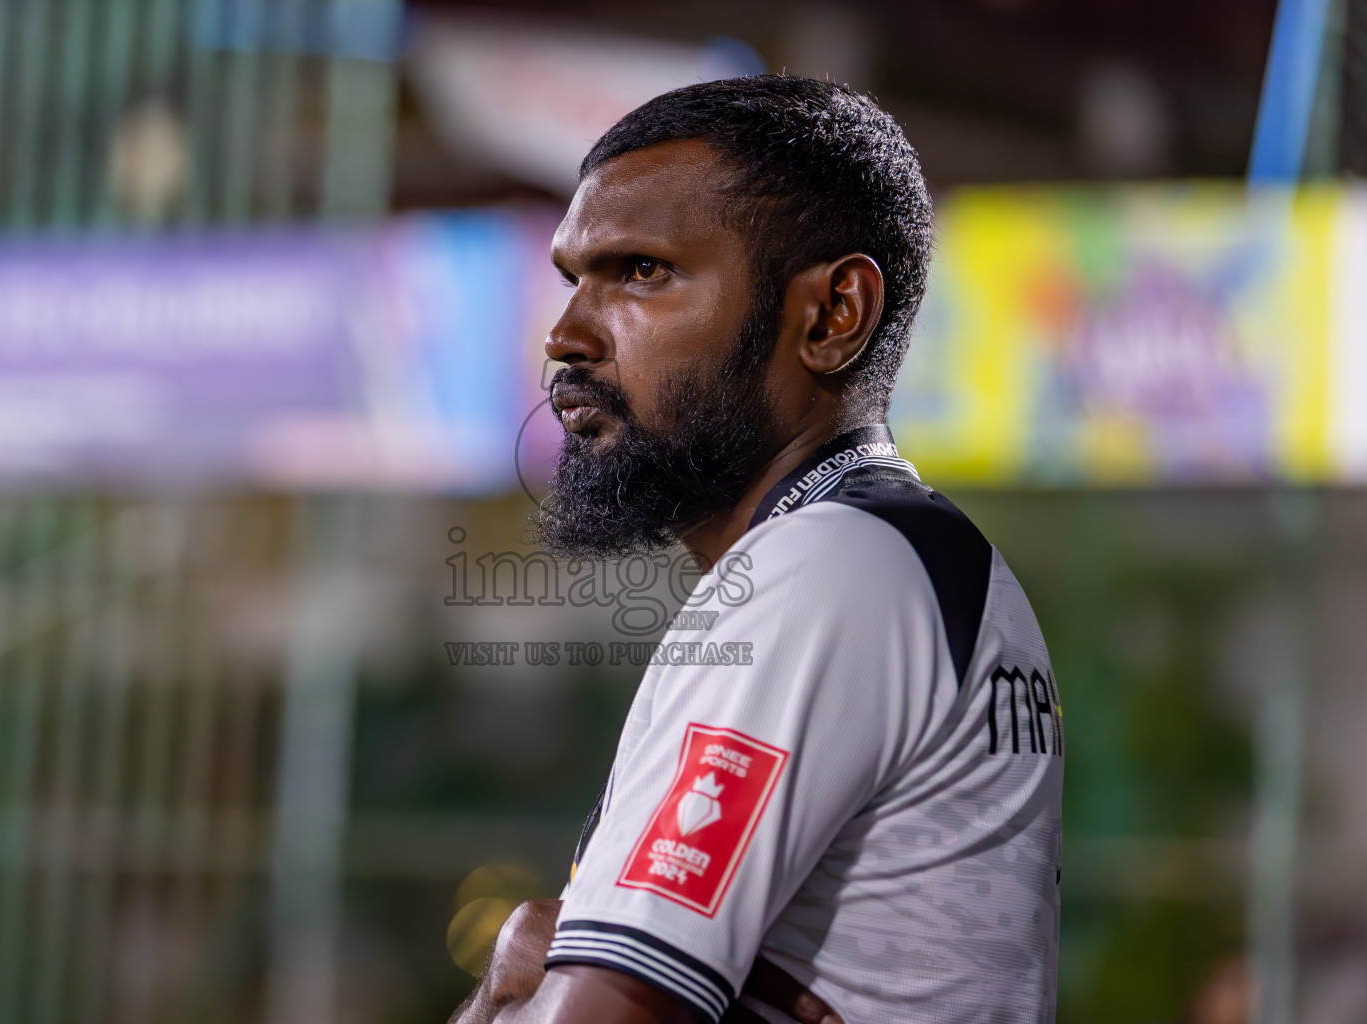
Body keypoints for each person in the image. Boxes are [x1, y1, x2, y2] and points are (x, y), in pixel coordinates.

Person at [454, 73, 1063, 1024]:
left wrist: (511, 994)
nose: (566, 335)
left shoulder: (827, 567)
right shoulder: (895, 551)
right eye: (575, 278)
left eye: (643, 272)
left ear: (831, 316)